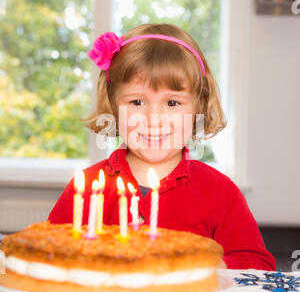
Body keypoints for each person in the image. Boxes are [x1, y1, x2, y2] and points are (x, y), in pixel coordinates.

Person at [48, 23, 276, 270]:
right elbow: (46, 253)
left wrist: (211, 265)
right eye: (136, 101)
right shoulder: (88, 187)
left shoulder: (221, 192)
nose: (153, 118)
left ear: (199, 105)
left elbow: (258, 266)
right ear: (114, 105)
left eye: (172, 103)